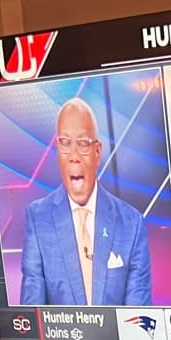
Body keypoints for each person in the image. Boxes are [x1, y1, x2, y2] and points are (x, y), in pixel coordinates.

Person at [19, 98, 153, 306]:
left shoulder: (131, 224)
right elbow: (32, 316)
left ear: (97, 152)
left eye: (82, 144)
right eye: (65, 143)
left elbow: (139, 323)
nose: (73, 156)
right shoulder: (38, 219)